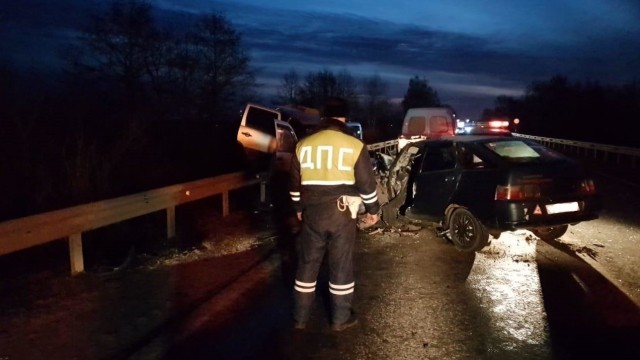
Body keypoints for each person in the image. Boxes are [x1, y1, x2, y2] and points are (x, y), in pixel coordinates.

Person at [288, 107, 380, 332]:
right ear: (343, 120)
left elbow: (294, 186)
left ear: (322, 119)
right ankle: (340, 318)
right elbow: (367, 185)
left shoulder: (303, 145)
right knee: (341, 266)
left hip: (312, 213)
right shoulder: (354, 145)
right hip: (341, 214)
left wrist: (298, 208)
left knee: (307, 264)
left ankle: (300, 318)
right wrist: (373, 210)